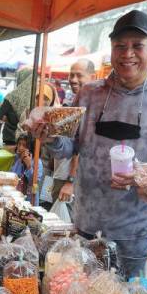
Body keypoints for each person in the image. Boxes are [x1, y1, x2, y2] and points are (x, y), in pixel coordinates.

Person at [32, 10, 147, 280]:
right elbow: (70, 147)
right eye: (120, 46)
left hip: (133, 231)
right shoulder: (89, 94)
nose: (128, 54)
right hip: (85, 220)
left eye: (137, 46)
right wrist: (51, 138)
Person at [54, 59, 96, 206]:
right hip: (61, 172)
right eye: (71, 75)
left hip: (73, 181)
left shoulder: (94, 106)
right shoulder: (76, 102)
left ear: (93, 77)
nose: (73, 80)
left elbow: (81, 148)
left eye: (79, 75)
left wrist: (71, 181)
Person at [0, 68, 33, 145]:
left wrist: (9, 119)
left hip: (10, 136)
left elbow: (0, 115)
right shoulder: (37, 95)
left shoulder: (13, 95)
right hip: (28, 138)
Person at [11, 134, 44, 205]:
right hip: (16, 196)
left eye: (24, 145)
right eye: (19, 144)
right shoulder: (17, 158)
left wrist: (29, 166)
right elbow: (13, 175)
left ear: (30, 148)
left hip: (30, 199)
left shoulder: (37, 162)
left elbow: (35, 183)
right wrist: (20, 161)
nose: (20, 148)